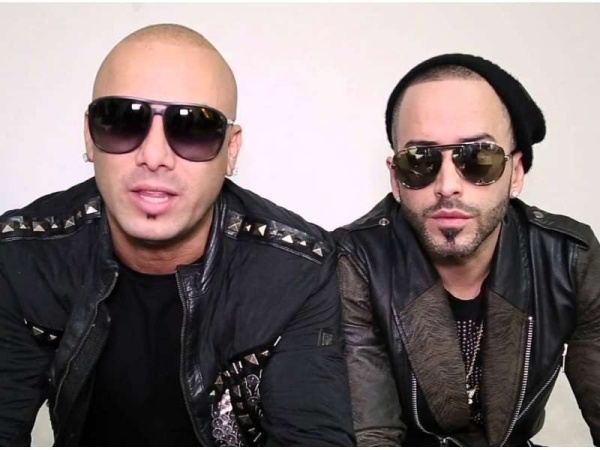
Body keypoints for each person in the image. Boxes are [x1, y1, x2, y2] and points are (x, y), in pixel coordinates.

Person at [0, 24, 355, 446]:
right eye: (121, 120)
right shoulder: (23, 254)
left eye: (194, 128)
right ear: (90, 136)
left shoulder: (299, 269)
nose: (154, 157)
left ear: (231, 150)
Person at [334, 53, 600, 446]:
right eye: (420, 159)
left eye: (478, 157)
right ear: (395, 178)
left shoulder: (568, 258)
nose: (447, 186)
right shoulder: (355, 261)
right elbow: (373, 436)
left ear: (516, 173)